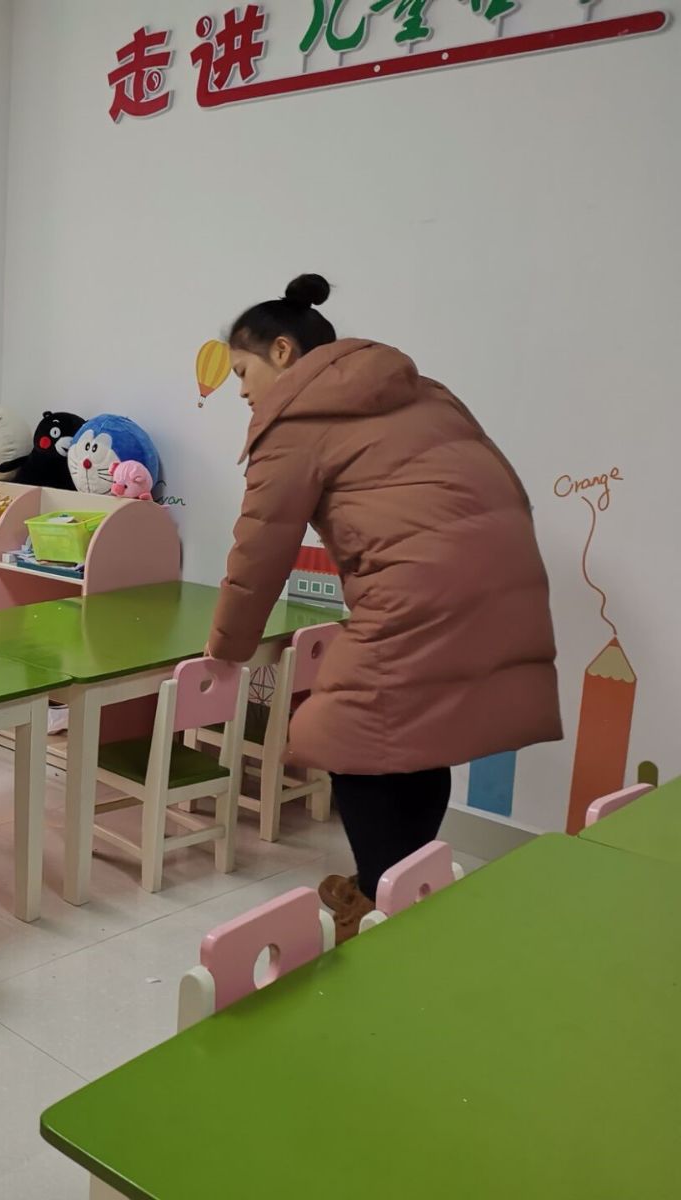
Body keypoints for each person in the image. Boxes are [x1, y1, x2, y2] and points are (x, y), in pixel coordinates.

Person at [206, 274, 560, 939]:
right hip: (504, 574)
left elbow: (260, 549)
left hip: (421, 587)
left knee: (346, 732)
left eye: (244, 372)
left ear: (282, 352)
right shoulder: (423, 392)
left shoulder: (294, 420)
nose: (242, 391)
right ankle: (408, 885)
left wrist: (225, 650)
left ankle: (377, 907)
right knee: (426, 731)